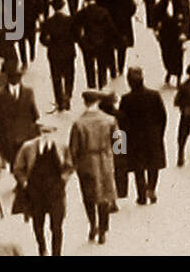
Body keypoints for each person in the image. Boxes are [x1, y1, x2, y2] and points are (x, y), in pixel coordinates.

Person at [12, 122, 72, 257]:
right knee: (38, 224)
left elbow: (69, 165)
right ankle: (42, 248)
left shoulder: (62, 147)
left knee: (57, 226)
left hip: (56, 191)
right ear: (39, 133)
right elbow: (17, 168)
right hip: (35, 192)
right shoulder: (28, 147)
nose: (47, 135)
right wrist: (24, 183)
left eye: (50, 132)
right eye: (44, 132)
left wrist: (63, 179)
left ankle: (57, 253)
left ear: (54, 133)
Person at [69, 89, 119, 244]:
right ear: (98, 102)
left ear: (85, 102)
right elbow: (119, 144)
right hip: (105, 159)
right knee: (104, 195)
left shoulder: (78, 123)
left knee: (88, 196)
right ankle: (103, 230)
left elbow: (73, 149)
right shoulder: (110, 120)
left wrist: (74, 165)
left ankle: (92, 225)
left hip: (86, 161)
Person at [117, 67, 167, 205]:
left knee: (138, 167)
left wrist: (121, 142)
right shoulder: (154, 95)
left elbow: (122, 120)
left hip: (134, 138)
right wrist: (160, 133)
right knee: (153, 164)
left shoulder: (126, 99)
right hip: (152, 136)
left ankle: (141, 195)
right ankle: (151, 188)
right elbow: (162, 116)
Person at [0, 65, 39, 170]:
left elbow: (34, 114)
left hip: (26, 136)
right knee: (15, 167)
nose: (15, 79)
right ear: (8, 78)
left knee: (27, 166)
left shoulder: (28, 92)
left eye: (18, 76)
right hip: (8, 138)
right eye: (13, 77)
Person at [38, 0, 77, 112]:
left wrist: (49, 43)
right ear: (63, 5)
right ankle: (68, 97)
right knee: (69, 76)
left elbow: (42, 39)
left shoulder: (48, 22)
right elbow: (75, 37)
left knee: (56, 78)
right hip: (69, 52)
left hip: (54, 54)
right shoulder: (70, 20)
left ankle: (59, 100)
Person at [75, 0, 116, 91]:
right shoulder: (103, 12)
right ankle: (102, 85)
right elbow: (111, 29)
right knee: (102, 67)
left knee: (89, 67)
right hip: (102, 43)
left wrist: (81, 41)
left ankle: (91, 86)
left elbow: (75, 27)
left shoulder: (83, 12)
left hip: (88, 43)